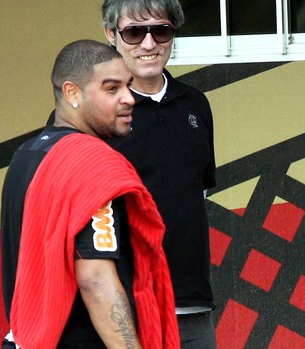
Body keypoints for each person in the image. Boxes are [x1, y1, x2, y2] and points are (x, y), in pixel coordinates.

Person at [0, 39, 179, 349]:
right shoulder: (91, 161)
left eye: (128, 86)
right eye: (112, 89)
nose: (129, 98)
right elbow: (95, 278)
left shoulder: (27, 154)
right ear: (72, 93)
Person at [101, 1, 218, 348]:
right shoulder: (97, 112)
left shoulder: (195, 103)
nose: (149, 44)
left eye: (160, 30)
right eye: (134, 32)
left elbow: (198, 194)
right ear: (111, 35)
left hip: (191, 304)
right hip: (123, 308)